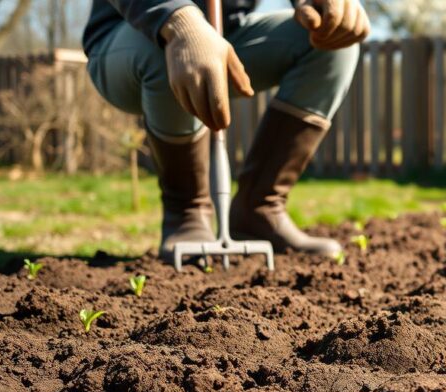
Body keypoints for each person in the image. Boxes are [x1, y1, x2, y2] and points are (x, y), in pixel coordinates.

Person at [82, 0, 370, 260]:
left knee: (330, 44)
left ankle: (258, 211)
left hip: (230, 32)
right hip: (129, 35)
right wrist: (179, 21)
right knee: (166, 46)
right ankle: (187, 214)